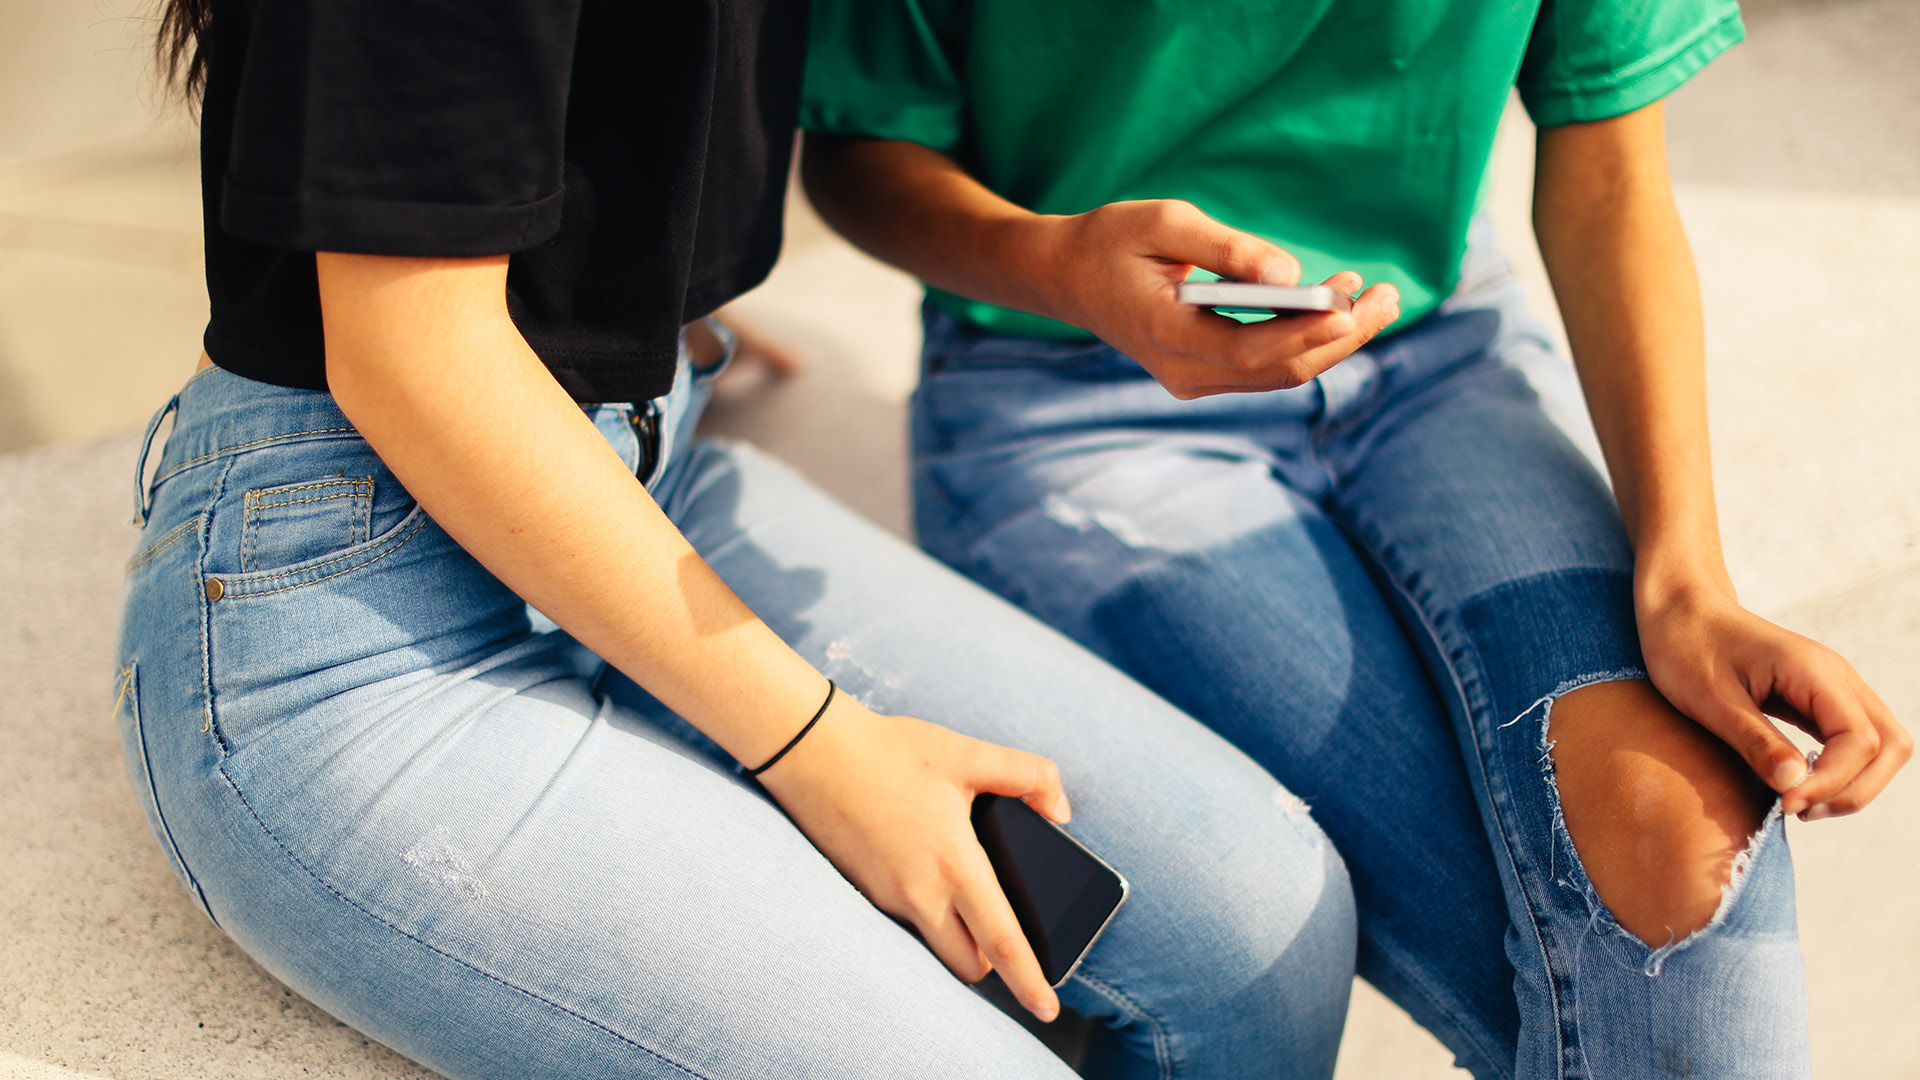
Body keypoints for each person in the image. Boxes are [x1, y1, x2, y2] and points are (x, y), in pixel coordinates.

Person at [113, 1, 1360, 1077]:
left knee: (1264, 942)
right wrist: (822, 748)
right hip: (357, 602)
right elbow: (410, 353)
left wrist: (625, 294)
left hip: (638, 464)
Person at [796, 1, 1911, 1077]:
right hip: (1072, 388)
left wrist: (1686, 583)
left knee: (1682, 858)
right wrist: (1060, 263)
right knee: (1588, 957)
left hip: (1438, 350)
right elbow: (857, 149)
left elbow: (1612, 168)